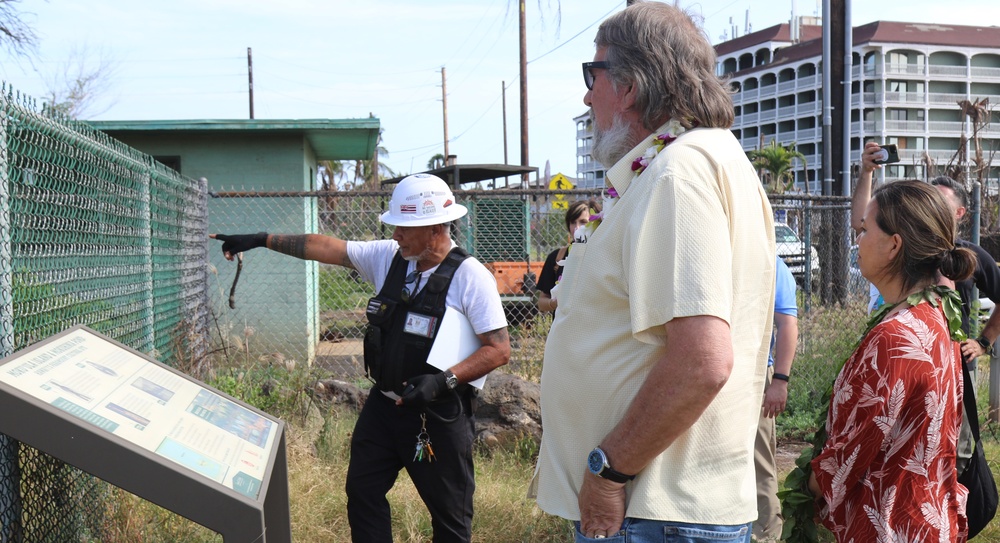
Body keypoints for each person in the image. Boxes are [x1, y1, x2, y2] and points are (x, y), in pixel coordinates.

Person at [532, 3, 775, 541]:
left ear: (630, 87)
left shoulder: (678, 173)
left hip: (652, 510)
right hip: (657, 510)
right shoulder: (686, 162)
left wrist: (609, 470)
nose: (586, 95)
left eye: (591, 75)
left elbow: (702, 361)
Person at [211, 173, 511, 543]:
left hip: (436, 417)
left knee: (449, 519)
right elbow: (326, 247)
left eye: (404, 227)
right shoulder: (390, 257)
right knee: (363, 493)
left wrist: (442, 380)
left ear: (435, 228)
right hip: (384, 409)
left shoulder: (470, 277)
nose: (395, 234)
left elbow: (498, 349)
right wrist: (260, 240)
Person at [810, 180, 972, 542]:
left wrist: (801, 490)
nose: (858, 240)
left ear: (894, 245)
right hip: (924, 519)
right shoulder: (933, 314)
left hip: (889, 525)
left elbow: (846, 460)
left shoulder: (895, 337)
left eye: (866, 230)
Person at [852, 141, 1000, 474]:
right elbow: (862, 223)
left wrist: (984, 342)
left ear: (959, 214)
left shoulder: (964, 257)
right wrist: (866, 173)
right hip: (911, 365)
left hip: (947, 363)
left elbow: (854, 449)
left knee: (947, 450)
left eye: (938, 202)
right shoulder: (898, 325)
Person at [753, 257, 798, 542]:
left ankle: (766, 533)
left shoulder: (771, 261)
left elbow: (787, 322)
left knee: (758, 460)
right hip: (712, 368)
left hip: (757, 373)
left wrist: (779, 380)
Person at [536, 199, 600, 313]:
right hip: (564, 328)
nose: (577, 228)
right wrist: (555, 302)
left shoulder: (604, 256)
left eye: (583, 222)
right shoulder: (557, 257)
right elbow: (542, 301)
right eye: (572, 222)